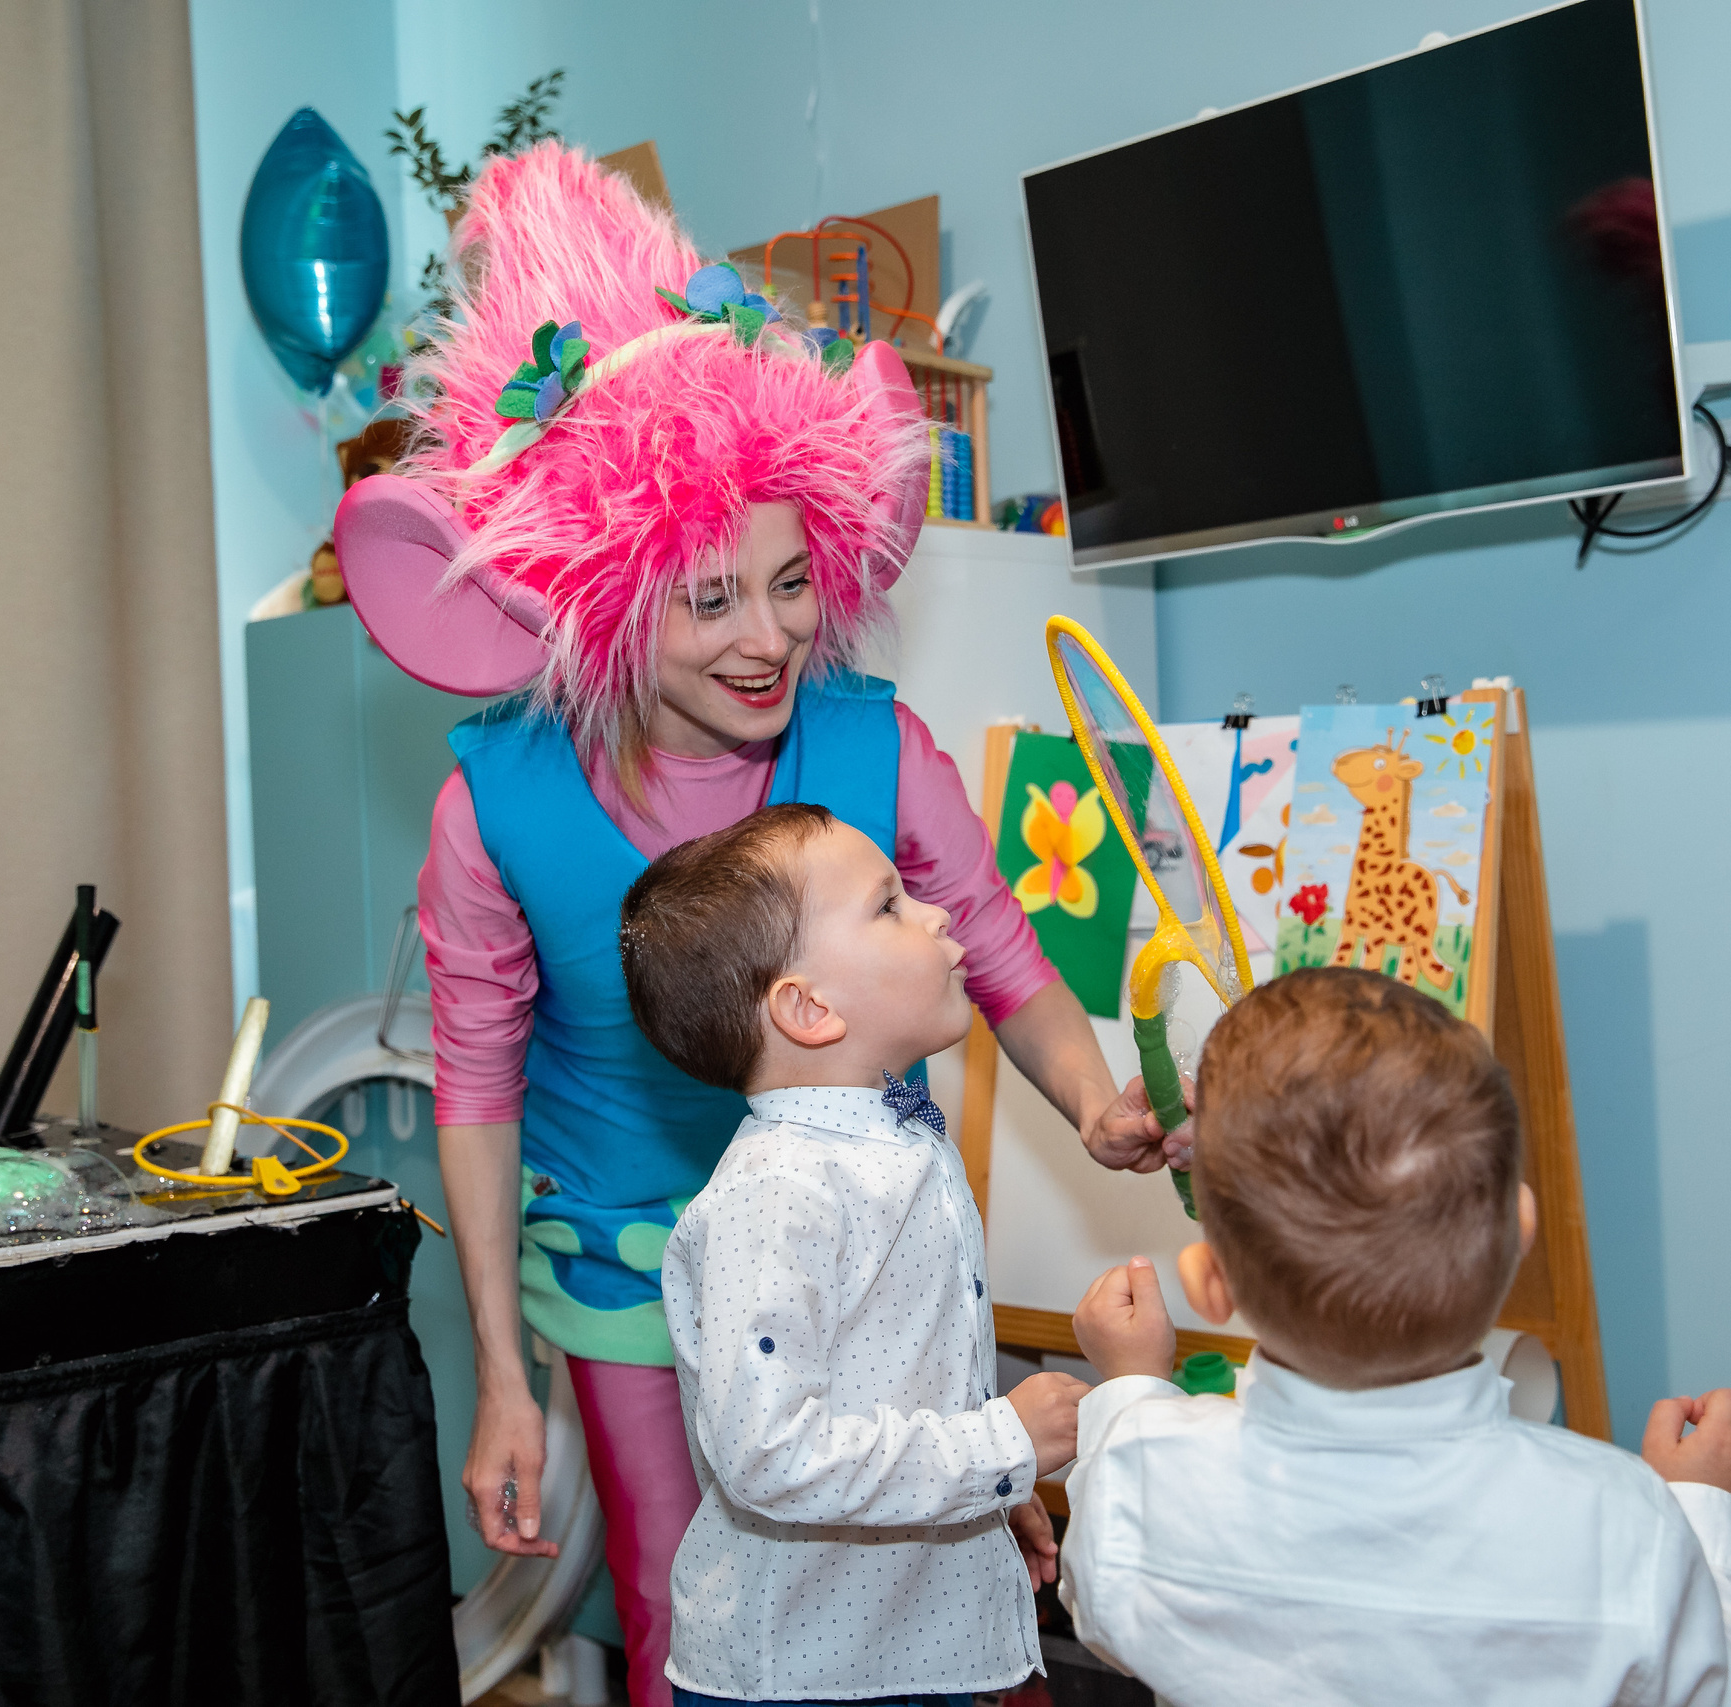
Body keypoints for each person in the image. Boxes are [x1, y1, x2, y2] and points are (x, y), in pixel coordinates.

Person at [328, 141, 1184, 1707]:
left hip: (875, 1246)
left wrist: (1101, 1098)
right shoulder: (496, 803)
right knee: (682, 1593)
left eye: (793, 584)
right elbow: (476, 1085)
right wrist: (505, 1381)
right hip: (622, 1254)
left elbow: (999, 954)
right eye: (710, 597)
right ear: (606, 593)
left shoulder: (873, 743)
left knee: (933, 1556)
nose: (773, 633)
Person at [1059, 967, 1731, 1707]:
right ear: (1522, 1226)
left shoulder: (1144, 1480)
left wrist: (1129, 1391)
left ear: (1210, 1284)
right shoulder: (1627, 1528)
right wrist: (1710, 1515)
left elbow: (1099, 1599)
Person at [624, 803, 1085, 1707]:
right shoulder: (778, 1190)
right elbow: (770, 1453)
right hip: (805, 1672)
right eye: (890, 905)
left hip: (921, 1642)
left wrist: (994, 1485)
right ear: (808, 1007)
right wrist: (997, 1443)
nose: (937, 914)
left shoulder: (896, 1143)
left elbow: (903, 1376)